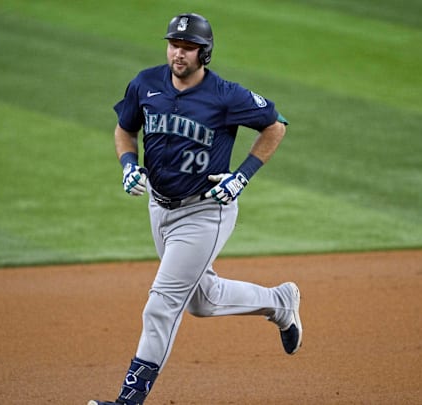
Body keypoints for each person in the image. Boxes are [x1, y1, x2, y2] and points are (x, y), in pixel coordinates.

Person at [89, 12, 301, 405]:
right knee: (201, 300)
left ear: (204, 53)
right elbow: (125, 127)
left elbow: (276, 124)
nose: (178, 53)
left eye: (187, 47)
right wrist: (128, 165)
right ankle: (280, 302)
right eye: (173, 44)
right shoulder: (146, 83)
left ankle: (127, 401)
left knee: (162, 305)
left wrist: (242, 176)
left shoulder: (225, 95)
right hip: (160, 207)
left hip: (205, 212)